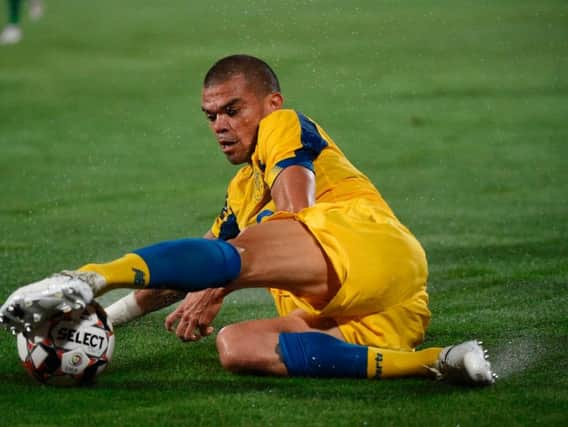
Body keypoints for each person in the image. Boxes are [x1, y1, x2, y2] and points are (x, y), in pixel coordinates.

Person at [0, 54, 496, 385]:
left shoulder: (286, 126)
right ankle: (438, 361)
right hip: (385, 315)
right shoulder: (241, 192)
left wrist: (218, 283)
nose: (220, 125)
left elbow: (296, 211)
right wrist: (108, 317)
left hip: (374, 249)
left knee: (227, 260)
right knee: (236, 346)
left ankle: (88, 274)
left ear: (271, 104)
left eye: (233, 110)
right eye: (211, 116)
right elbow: (180, 275)